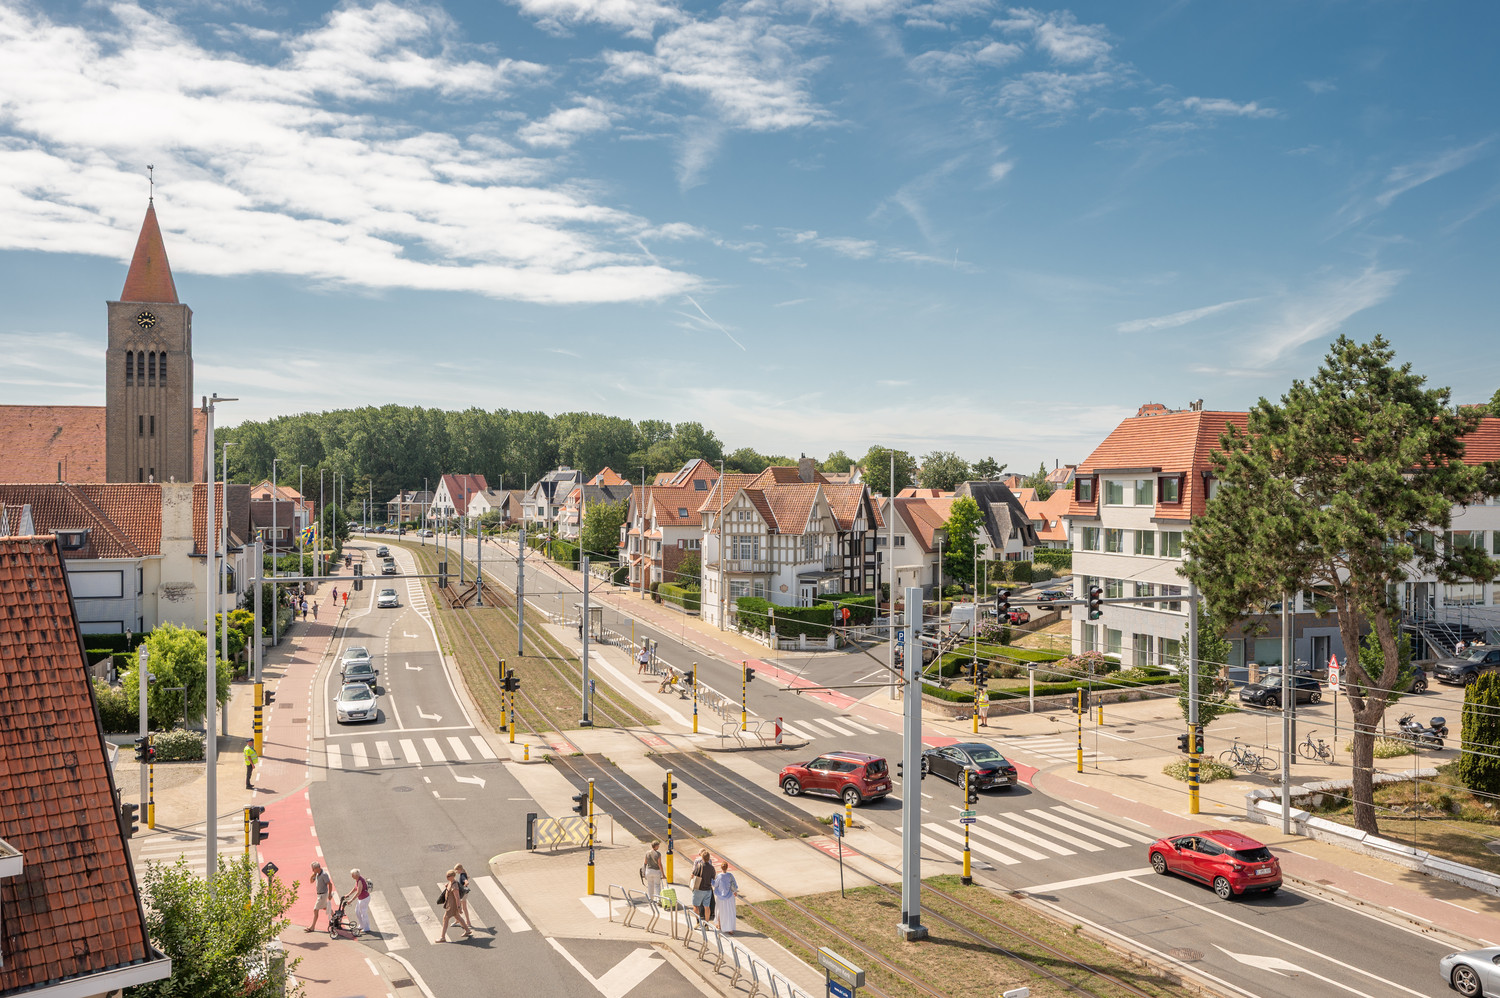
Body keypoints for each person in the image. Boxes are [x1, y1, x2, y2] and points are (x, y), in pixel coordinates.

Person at [435, 869, 472, 941]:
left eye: (448, 876)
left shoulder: (454, 885)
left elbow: (457, 897)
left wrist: (459, 907)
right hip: (450, 904)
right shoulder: (450, 882)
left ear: (452, 876)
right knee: (458, 917)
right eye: (446, 876)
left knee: (445, 918)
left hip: (452, 906)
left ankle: (442, 937)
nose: (447, 877)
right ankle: (467, 930)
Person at [712, 862, 739, 934]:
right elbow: (735, 885)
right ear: (727, 867)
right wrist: (735, 891)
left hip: (720, 897)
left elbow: (715, 884)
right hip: (730, 897)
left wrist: (711, 880)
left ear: (721, 867)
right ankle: (730, 929)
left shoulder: (719, 876)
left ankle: (719, 925)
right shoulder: (730, 875)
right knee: (729, 912)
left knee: (719, 911)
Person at [307, 863, 333, 931]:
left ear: (317, 868)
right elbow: (311, 881)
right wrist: (314, 874)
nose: (312, 870)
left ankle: (312, 927)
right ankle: (336, 917)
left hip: (322, 895)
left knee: (315, 910)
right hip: (320, 895)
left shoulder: (324, 874)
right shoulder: (317, 874)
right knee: (326, 907)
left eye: (313, 869)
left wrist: (330, 894)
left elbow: (330, 884)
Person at [689, 850, 714, 920]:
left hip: (699, 889)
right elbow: (713, 878)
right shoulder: (712, 868)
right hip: (708, 890)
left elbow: (693, 875)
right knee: (707, 907)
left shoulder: (699, 866)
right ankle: (707, 923)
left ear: (702, 858)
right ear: (709, 858)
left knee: (695, 906)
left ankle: (698, 921)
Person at [347, 868, 371, 934]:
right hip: (361, 899)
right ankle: (361, 925)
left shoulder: (360, 881)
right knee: (357, 911)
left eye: (352, 875)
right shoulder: (358, 879)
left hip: (364, 899)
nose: (351, 876)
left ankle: (366, 928)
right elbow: (355, 888)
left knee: (363, 913)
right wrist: (348, 894)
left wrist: (351, 900)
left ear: (356, 875)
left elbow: (358, 892)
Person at [453, 863, 474, 930]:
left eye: (457, 870)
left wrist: (462, 887)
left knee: (457, 906)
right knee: (464, 908)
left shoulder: (462, 875)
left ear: (460, 869)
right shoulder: (464, 873)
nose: (457, 872)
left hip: (462, 894)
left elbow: (466, 882)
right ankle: (467, 922)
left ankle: (459, 921)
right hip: (465, 893)